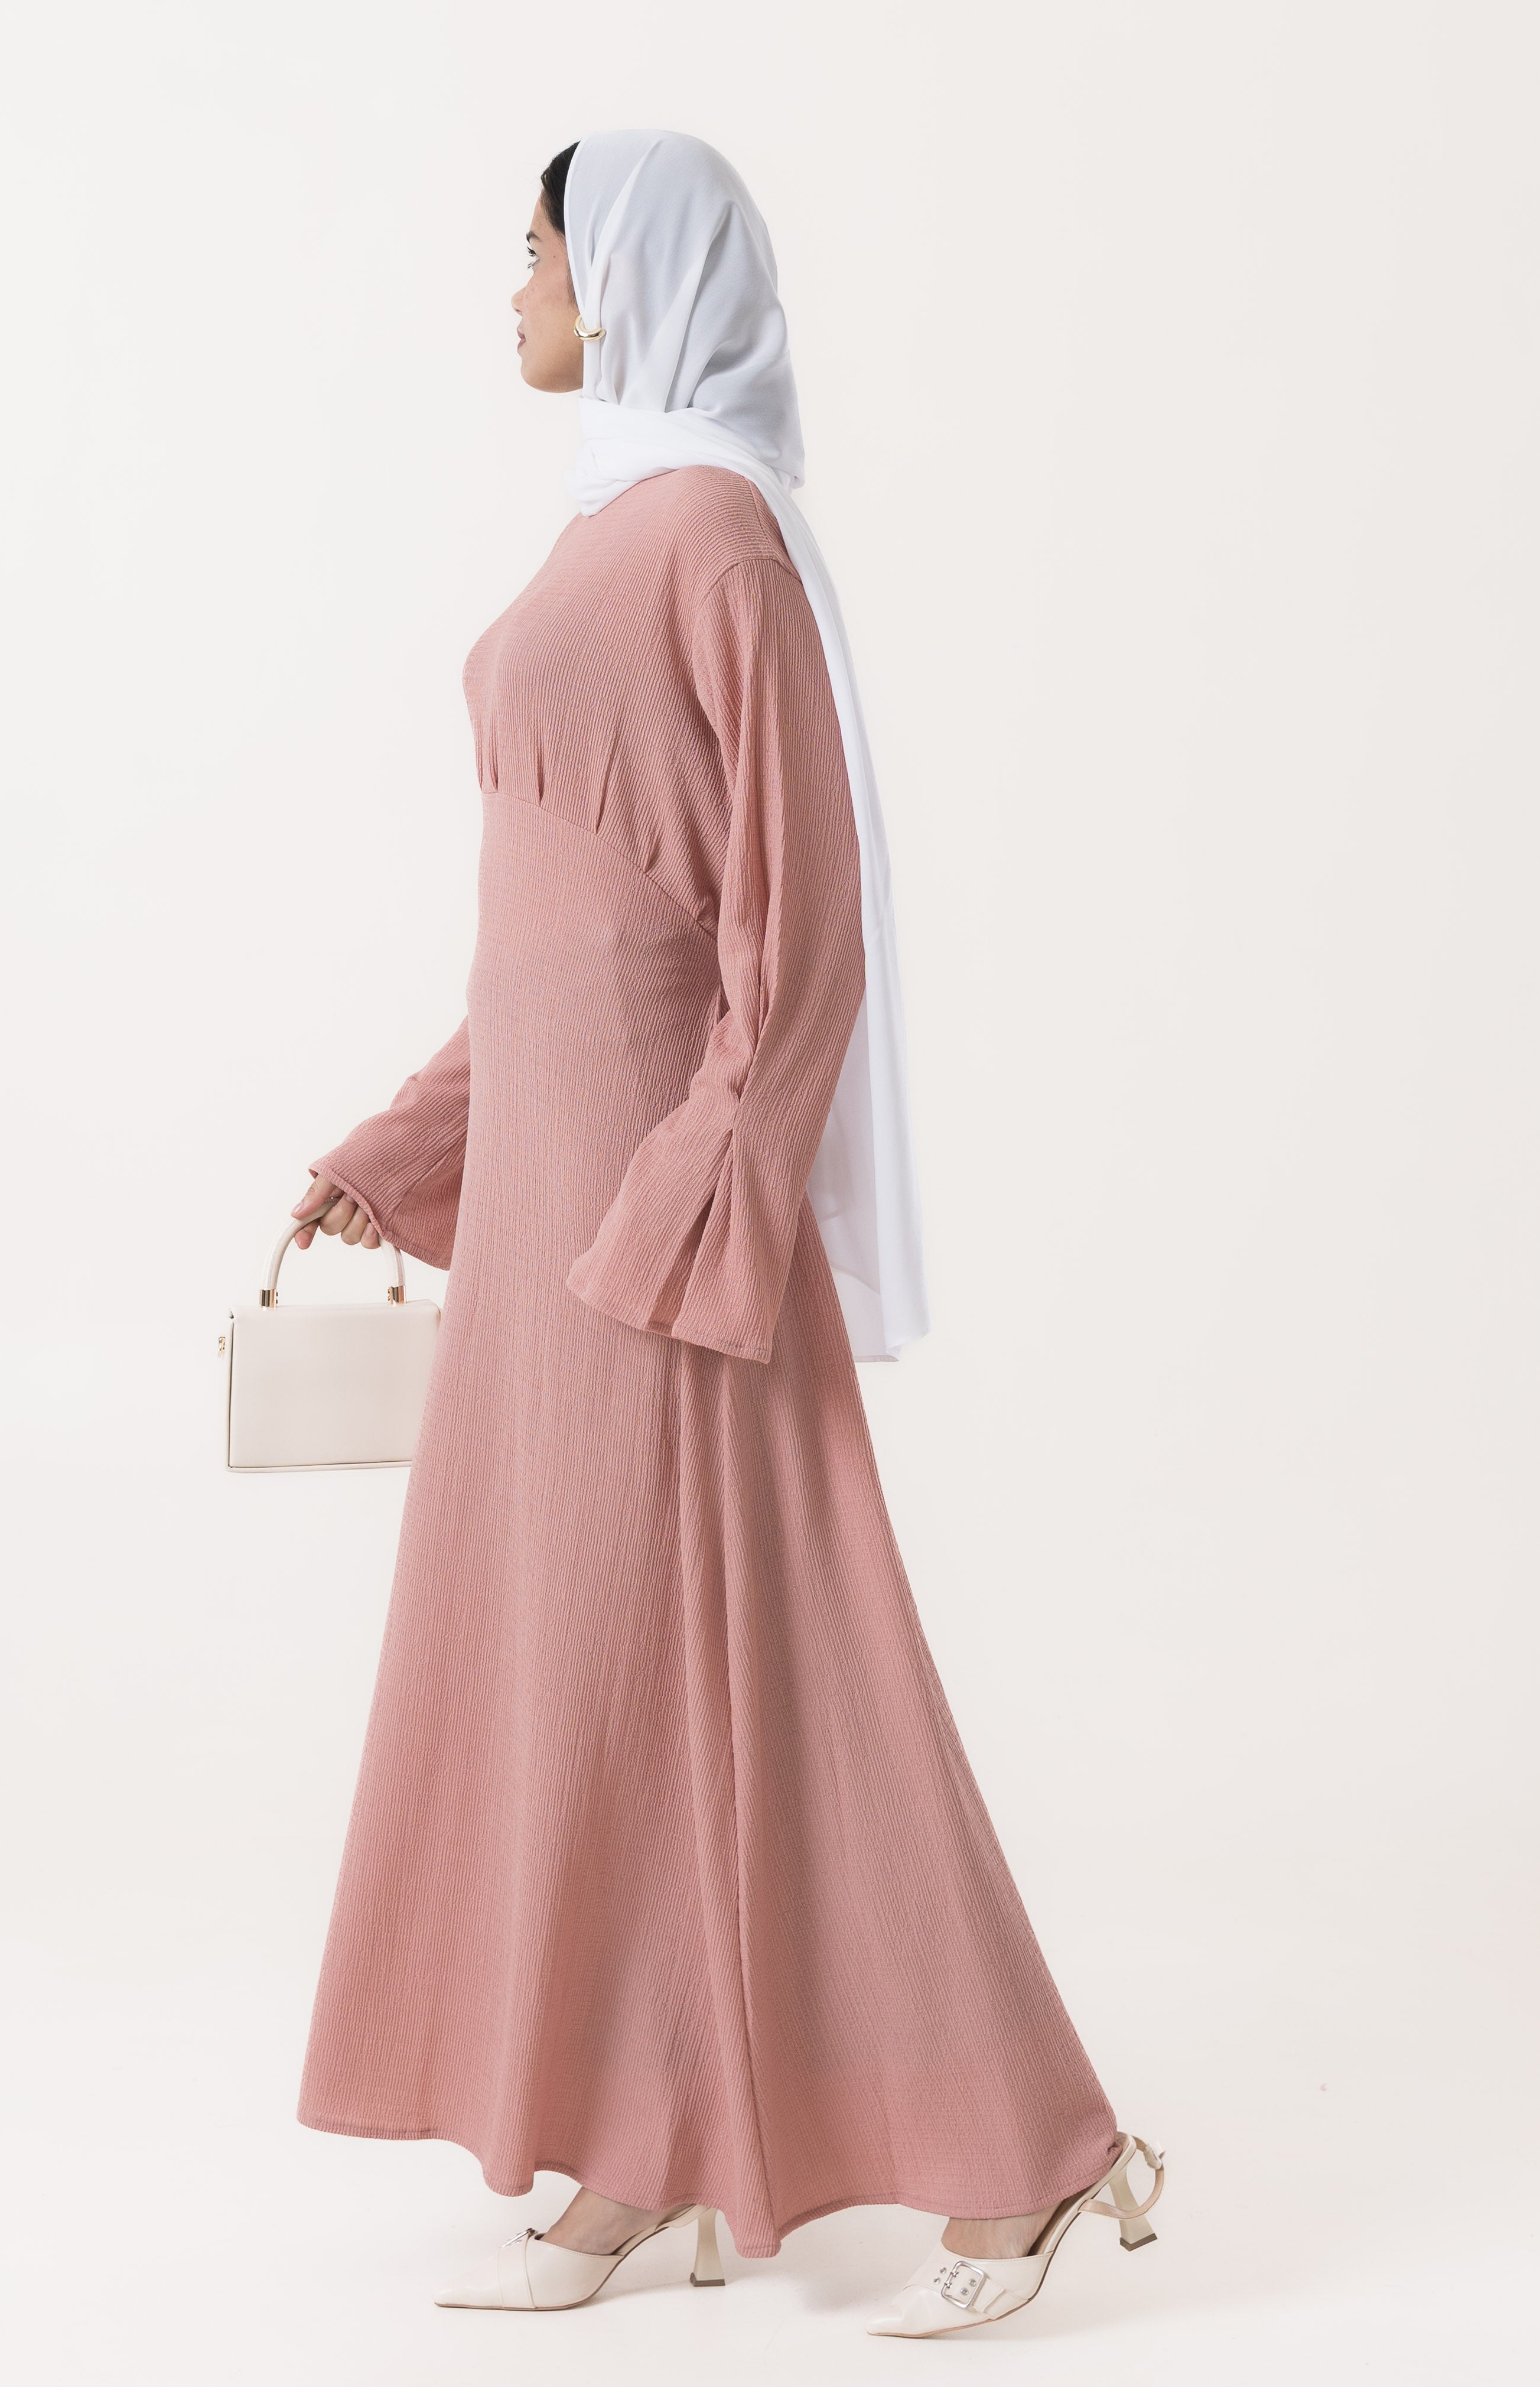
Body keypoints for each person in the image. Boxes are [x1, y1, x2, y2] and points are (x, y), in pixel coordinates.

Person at [288, 129, 1161, 2339]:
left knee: (804, 1675)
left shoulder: (717, 537)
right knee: (590, 1687)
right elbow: (551, 951)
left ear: (634, 270)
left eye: (539, 250)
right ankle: (648, 2150)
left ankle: (1045, 2159)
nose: (514, 289)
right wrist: (402, 1148)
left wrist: (709, 1188)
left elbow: (801, 921)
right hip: (549, 1237)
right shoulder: (614, 520)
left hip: (662, 1226)